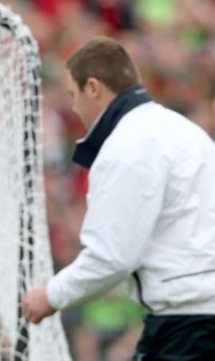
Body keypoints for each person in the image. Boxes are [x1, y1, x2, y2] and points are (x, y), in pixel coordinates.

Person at [21, 36, 215, 359]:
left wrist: (50, 296)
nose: (73, 107)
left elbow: (111, 256)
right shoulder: (183, 130)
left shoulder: (127, 144)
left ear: (93, 88)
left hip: (188, 322)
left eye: (74, 94)